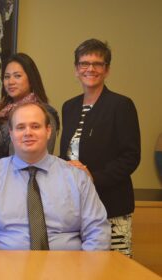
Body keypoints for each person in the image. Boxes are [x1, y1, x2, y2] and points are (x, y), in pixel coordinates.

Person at [0, 103, 110, 250]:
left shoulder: (76, 178)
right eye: (20, 127)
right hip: (3, 269)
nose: (28, 133)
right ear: (11, 134)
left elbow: (97, 232)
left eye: (35, 126)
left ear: (48, 131)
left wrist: (86, 271)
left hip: (66, 268)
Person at [60, 39, 141, 257]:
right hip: (77, 208)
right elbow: (64, 155)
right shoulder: (69, 107)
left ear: (107, 70)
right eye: (84, 63)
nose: (90, 69)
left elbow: (130, 157)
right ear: (76, 69)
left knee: (115, 269)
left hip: (112, 205)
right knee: (82, 270)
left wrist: (93, 177)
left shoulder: (121, 105)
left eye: (98, 64)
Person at [0, 53, 59, 167]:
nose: (11, 82)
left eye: (17, 76)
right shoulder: (0, 110)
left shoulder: (42, 114)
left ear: (31, 79)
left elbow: (38, 162)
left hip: (18, 180)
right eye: (7, 77)